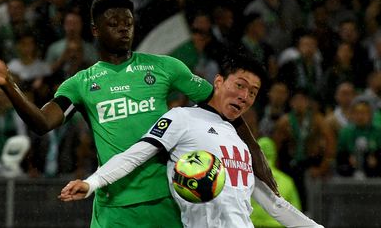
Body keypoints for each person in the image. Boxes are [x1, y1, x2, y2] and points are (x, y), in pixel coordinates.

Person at [0, 0, 277, 228]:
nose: (123, 29)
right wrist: (8, 84)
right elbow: (43, 122)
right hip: (113, 206)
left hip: (165, 200)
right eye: (113, 24)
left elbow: (225, 109)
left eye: (127, 23)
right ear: (95, 30)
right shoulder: (81, 84)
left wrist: (258, 160)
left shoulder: (165, 68)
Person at [58, 54, 322, 228]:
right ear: (218, 82)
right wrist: (92, 183)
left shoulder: (239, 143)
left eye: (252, 93)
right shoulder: (182, 119)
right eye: (240, 86)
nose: (245, 96)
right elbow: (136, 154)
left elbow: (274, 205)